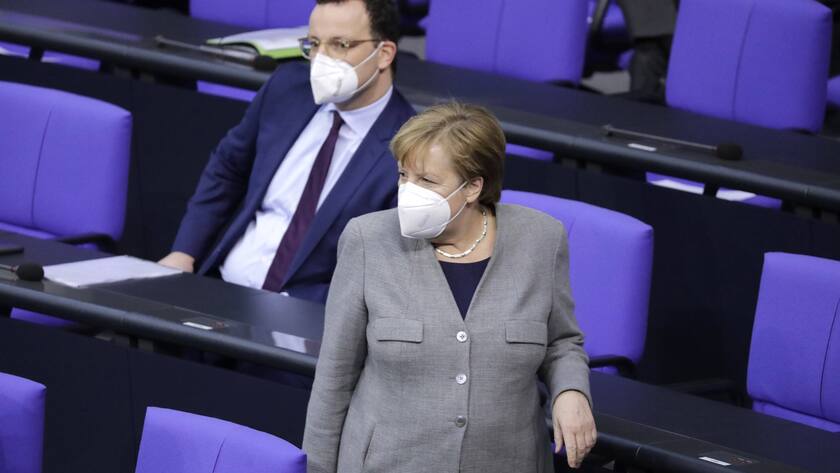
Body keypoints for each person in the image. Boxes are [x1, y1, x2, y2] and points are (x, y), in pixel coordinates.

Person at [303, 103, 596, 472]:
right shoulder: (367, 241)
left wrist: (571, 390)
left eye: (427, 181)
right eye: (403, 175)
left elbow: (561, 342)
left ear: (473, 187)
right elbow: (334, 377)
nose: (408, 191)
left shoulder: (541, 240)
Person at [159, 0, 415, 303]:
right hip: (221, 287)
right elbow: (228, 168)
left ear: (384, 54)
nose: (321, 59)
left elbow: (387, 272)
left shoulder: (410, 147)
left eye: (340, 45)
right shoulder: (287, 88)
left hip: (307, 314)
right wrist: (184, 252)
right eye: (314, 44)